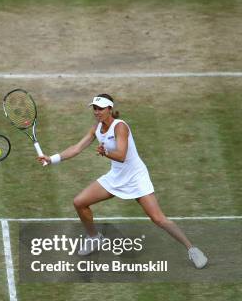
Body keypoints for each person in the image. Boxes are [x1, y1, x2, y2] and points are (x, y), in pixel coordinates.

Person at [37, 94, 208, 269]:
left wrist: (105, 153)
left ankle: (192, 249)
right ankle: (94, 238)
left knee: (158, 219)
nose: (97, 112)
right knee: (79, 202)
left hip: (136, 178)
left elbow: (121, 155)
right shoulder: (96, 128)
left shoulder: (120, 127)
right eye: (94, 108)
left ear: (110, 109)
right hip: (116, 177)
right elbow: (77, 148)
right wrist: (52, 159)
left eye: (100, 108)